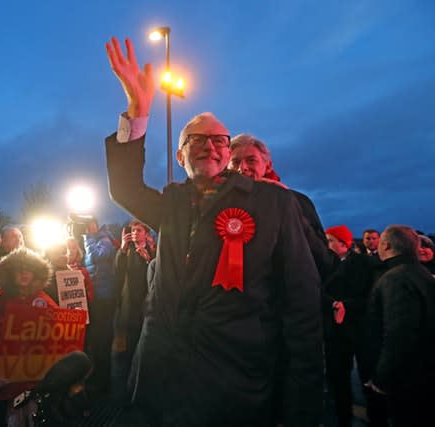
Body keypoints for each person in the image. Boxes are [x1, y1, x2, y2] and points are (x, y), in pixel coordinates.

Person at [104, 36, 323, 425]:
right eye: (196, 140)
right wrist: (137, 112)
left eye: (219, 139)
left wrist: (302, 407)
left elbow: (302, 307)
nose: (210, 146)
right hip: (160, 387)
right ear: (179, 155)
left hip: (236, 388)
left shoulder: (274, 204)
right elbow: (124, 188)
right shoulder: (171, 203)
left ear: (228, 151)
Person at [228, 133, 337, 280]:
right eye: (235, 162)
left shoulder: (297, 201)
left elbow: (324, 260)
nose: (242, 168)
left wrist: (293, 214)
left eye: (251, 160)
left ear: (268, 165)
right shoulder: (219, 205)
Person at [0, 248, 56, 426]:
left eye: (29, 268)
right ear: (9, 274)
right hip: (6, 382)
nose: (24, 273)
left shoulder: (45, 301)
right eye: (19, 269)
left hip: (36, 380)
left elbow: (58, 336)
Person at [365, 225, 435, 426]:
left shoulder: (395, 279)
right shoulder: (421, 273)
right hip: (423, 374)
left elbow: (398, 334)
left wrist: (381, 378)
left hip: (407, 380)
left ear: (385, 245)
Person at [322, 225, 379, 427]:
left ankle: (376, 418)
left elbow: (372, 294)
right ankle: (342, 418)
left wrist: (346, 305)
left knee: (367, 379)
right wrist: (333, 303)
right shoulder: (325, 264)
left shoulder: (365, 263)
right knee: (339, 381)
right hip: (336, 332)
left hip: (360, 330)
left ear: (344, 243)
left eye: (330, 240)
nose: (326, 245)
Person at [111, 219, 156, 401]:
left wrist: (148, 260)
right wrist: (122, 248)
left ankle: (144, 384)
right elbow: (117, 272)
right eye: (132, 230)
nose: (135, 233)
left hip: (147, 304)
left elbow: (158, 276)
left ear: (146, 233)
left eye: (139, 230)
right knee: (128, 345)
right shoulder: (126, 251)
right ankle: (125, 387)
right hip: (129, 303)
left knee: (145, 343)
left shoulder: (153, 251)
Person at [82, 217, 117, 396]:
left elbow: (97, 256)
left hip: (104, 297)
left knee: (102, 341)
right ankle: (97, 374)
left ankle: (104, 381)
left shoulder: (105, 240)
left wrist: (88, 236)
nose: (87, 228)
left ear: (96, 225)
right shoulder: (93, 240)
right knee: (95, 341)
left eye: (90, 225)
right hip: (94, 297)